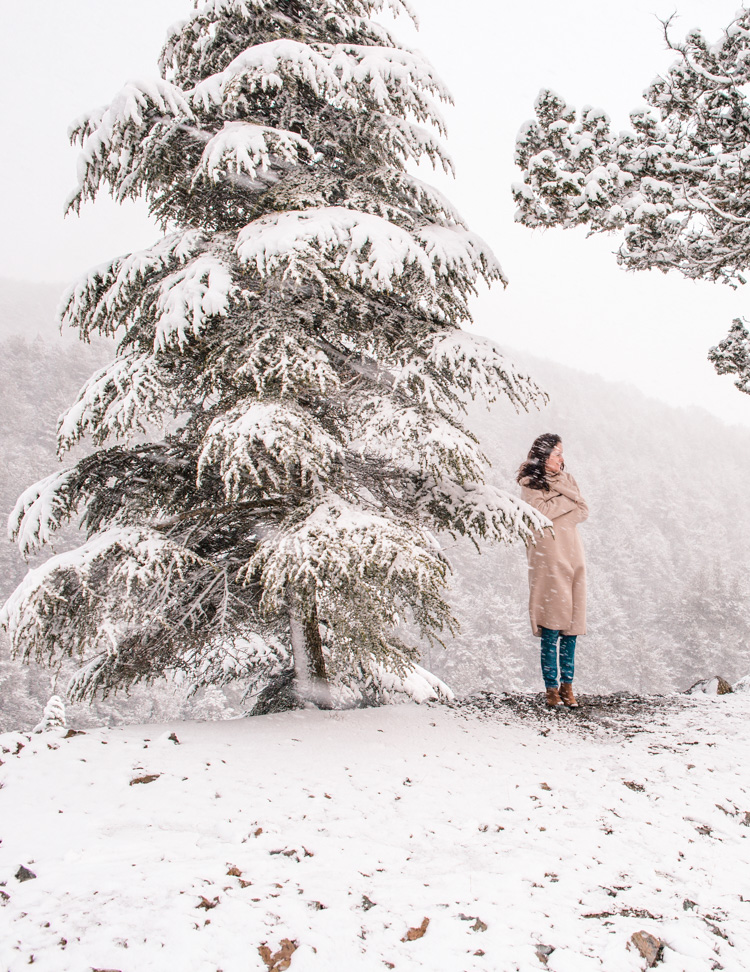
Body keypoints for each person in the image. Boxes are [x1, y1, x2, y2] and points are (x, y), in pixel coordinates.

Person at [517, 434, 588, 708]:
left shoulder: (567, 481)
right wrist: (568, 503)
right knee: (551, 623)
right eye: (557, 453)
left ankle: (568, 687)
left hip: (572, 552)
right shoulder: (530, 484)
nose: (562, 458)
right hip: (548, 556)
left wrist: (561, 505)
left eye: (562, 453)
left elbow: (583, 510)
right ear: (543, 456)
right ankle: (551, 689)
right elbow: (540, 513)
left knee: (570, 625)